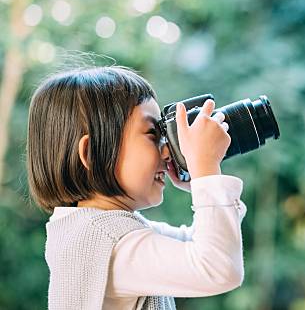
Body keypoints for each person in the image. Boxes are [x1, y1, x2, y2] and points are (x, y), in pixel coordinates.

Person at [26, 65, 246, 309]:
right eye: (153, 134)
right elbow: (218, 267)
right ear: (93, 153)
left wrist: (201, 181)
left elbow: (196, 243)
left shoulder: (99, 230)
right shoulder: (108, 243)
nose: (166, 150)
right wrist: (206, 169)